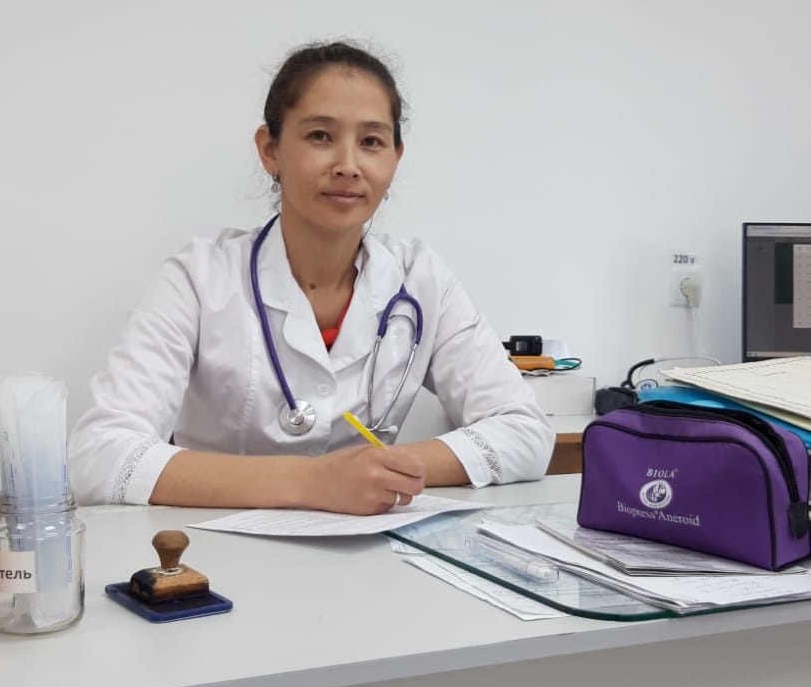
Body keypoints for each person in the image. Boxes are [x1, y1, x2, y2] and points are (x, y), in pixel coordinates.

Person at [68, 41, 554, 512]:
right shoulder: (199, 278)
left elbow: (525, 431)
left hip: (370, 551)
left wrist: (376, 473)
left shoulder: (421, 279)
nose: (348, 165)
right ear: (270, 150)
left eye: (371, 142)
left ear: (395, 159)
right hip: (214, 548)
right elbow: (100, 457)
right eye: (320, 136)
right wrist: (315, 481)